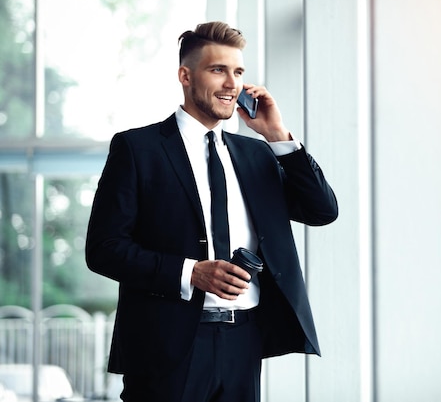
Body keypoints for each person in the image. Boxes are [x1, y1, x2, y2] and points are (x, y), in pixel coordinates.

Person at [85, 21, 338, 402]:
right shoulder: (139, 149)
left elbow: (322, 210)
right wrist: (191, 272)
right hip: (165, 347)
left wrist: (278, 136)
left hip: (244, 341)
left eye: (238, 72)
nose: (231, 84)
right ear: (185, 76)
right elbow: (103, 248)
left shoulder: (257, 154)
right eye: (218, 70)